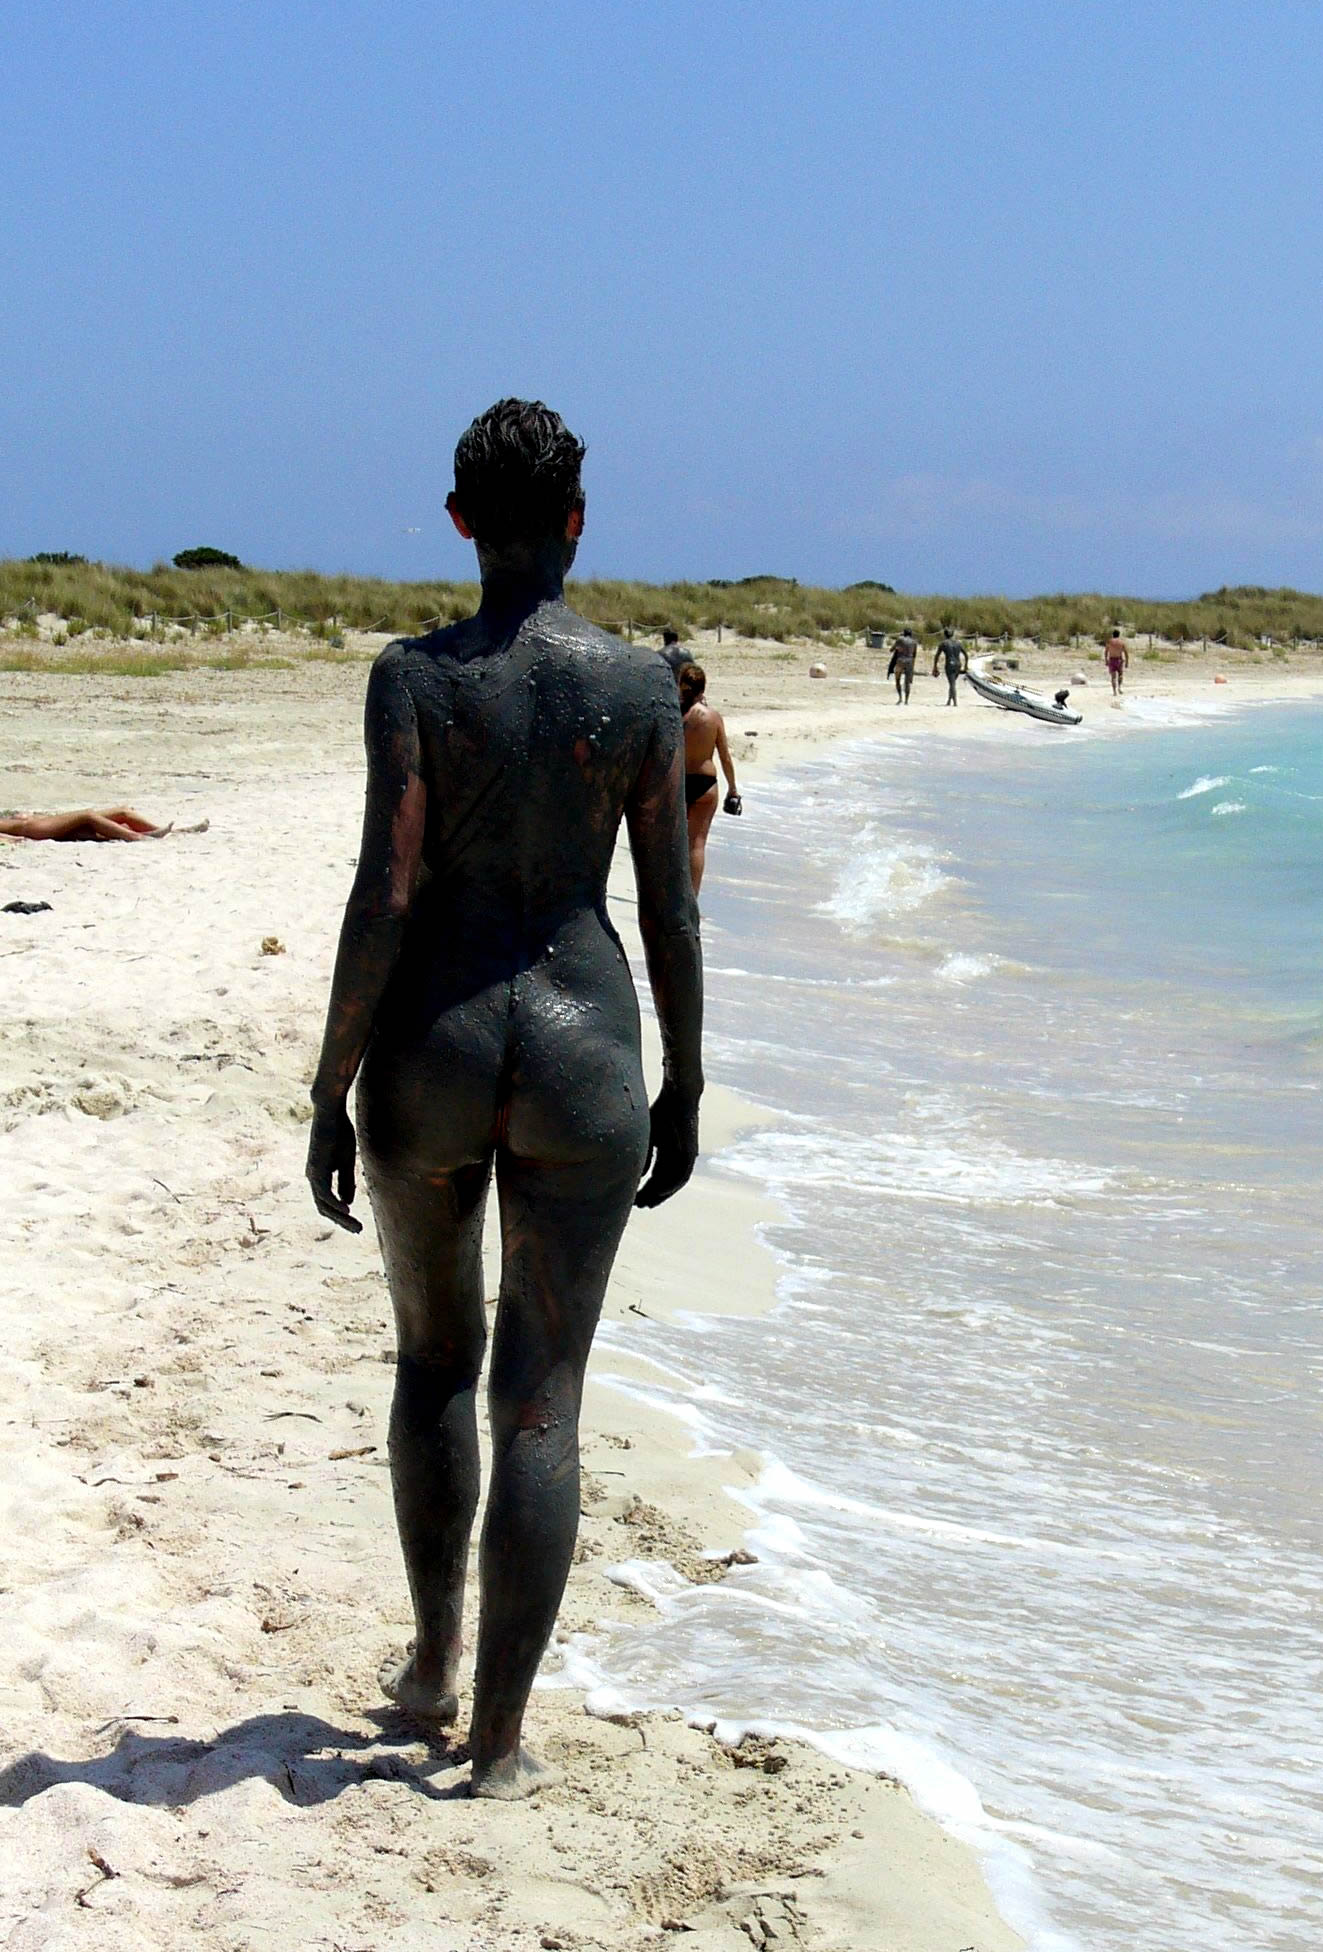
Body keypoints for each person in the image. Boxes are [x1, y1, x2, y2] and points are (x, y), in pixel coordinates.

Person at [305, 399, 703, 1801]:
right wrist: (690, 1079)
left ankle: (428, 1668)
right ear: (580, 521)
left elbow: (386, 892)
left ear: (462, 518)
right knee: (543, 1400)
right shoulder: (645, 691)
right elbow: (667, 917)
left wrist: (331, 1080)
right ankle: (501, 1740)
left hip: (437, 1045)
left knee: (432, 1367)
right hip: (585, 1047)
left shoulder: (415, 681)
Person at [677, 660, 740, 895]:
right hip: (705, 784)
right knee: (697, 844)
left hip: (679, 782)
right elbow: (725, 757)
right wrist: (733, 788)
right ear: (703, 688)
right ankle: (691, 900)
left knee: (677, 842)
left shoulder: (674, 714)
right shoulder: (713, 717)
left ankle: (674, 895)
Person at [1, 806, 174, 841]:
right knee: (88, 816)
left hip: (45, 823)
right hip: (34, 829)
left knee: (123, 812)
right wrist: (11, 840)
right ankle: (136, 837)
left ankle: (171, 832)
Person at [933, 628, 969, 705]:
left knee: (952, 683)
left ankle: (955, 701)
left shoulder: (943, 643)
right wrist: (966, 666)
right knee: (952, 682)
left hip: (950, 664)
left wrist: (935, 666)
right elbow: (966, 655)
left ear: (945, 634)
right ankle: (949, 700)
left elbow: (937, 656)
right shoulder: (958, 643)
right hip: (958, 664)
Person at [887, 630, 918, 704]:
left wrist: (897, 649)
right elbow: (914, 655)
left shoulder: (900, 639)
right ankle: (906, 700)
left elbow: (891, 649)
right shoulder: (914, 642)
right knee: (907, 682)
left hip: (900, 660)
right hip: (909, 661)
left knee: (898, 680)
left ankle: (900, 698)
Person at [1104, 629, 1129, 696]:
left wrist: (1106, 660)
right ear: (1119, 635)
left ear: (1113, 634)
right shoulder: (1121, 642)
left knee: (1113, 677)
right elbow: (1126, 653)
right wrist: (1127, 662)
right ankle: (1119, 687)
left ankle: (1114, 691)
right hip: (1119, 660)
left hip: (1112, 660)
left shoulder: (1110, 641)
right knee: (1120, 675)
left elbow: (1106, 651)